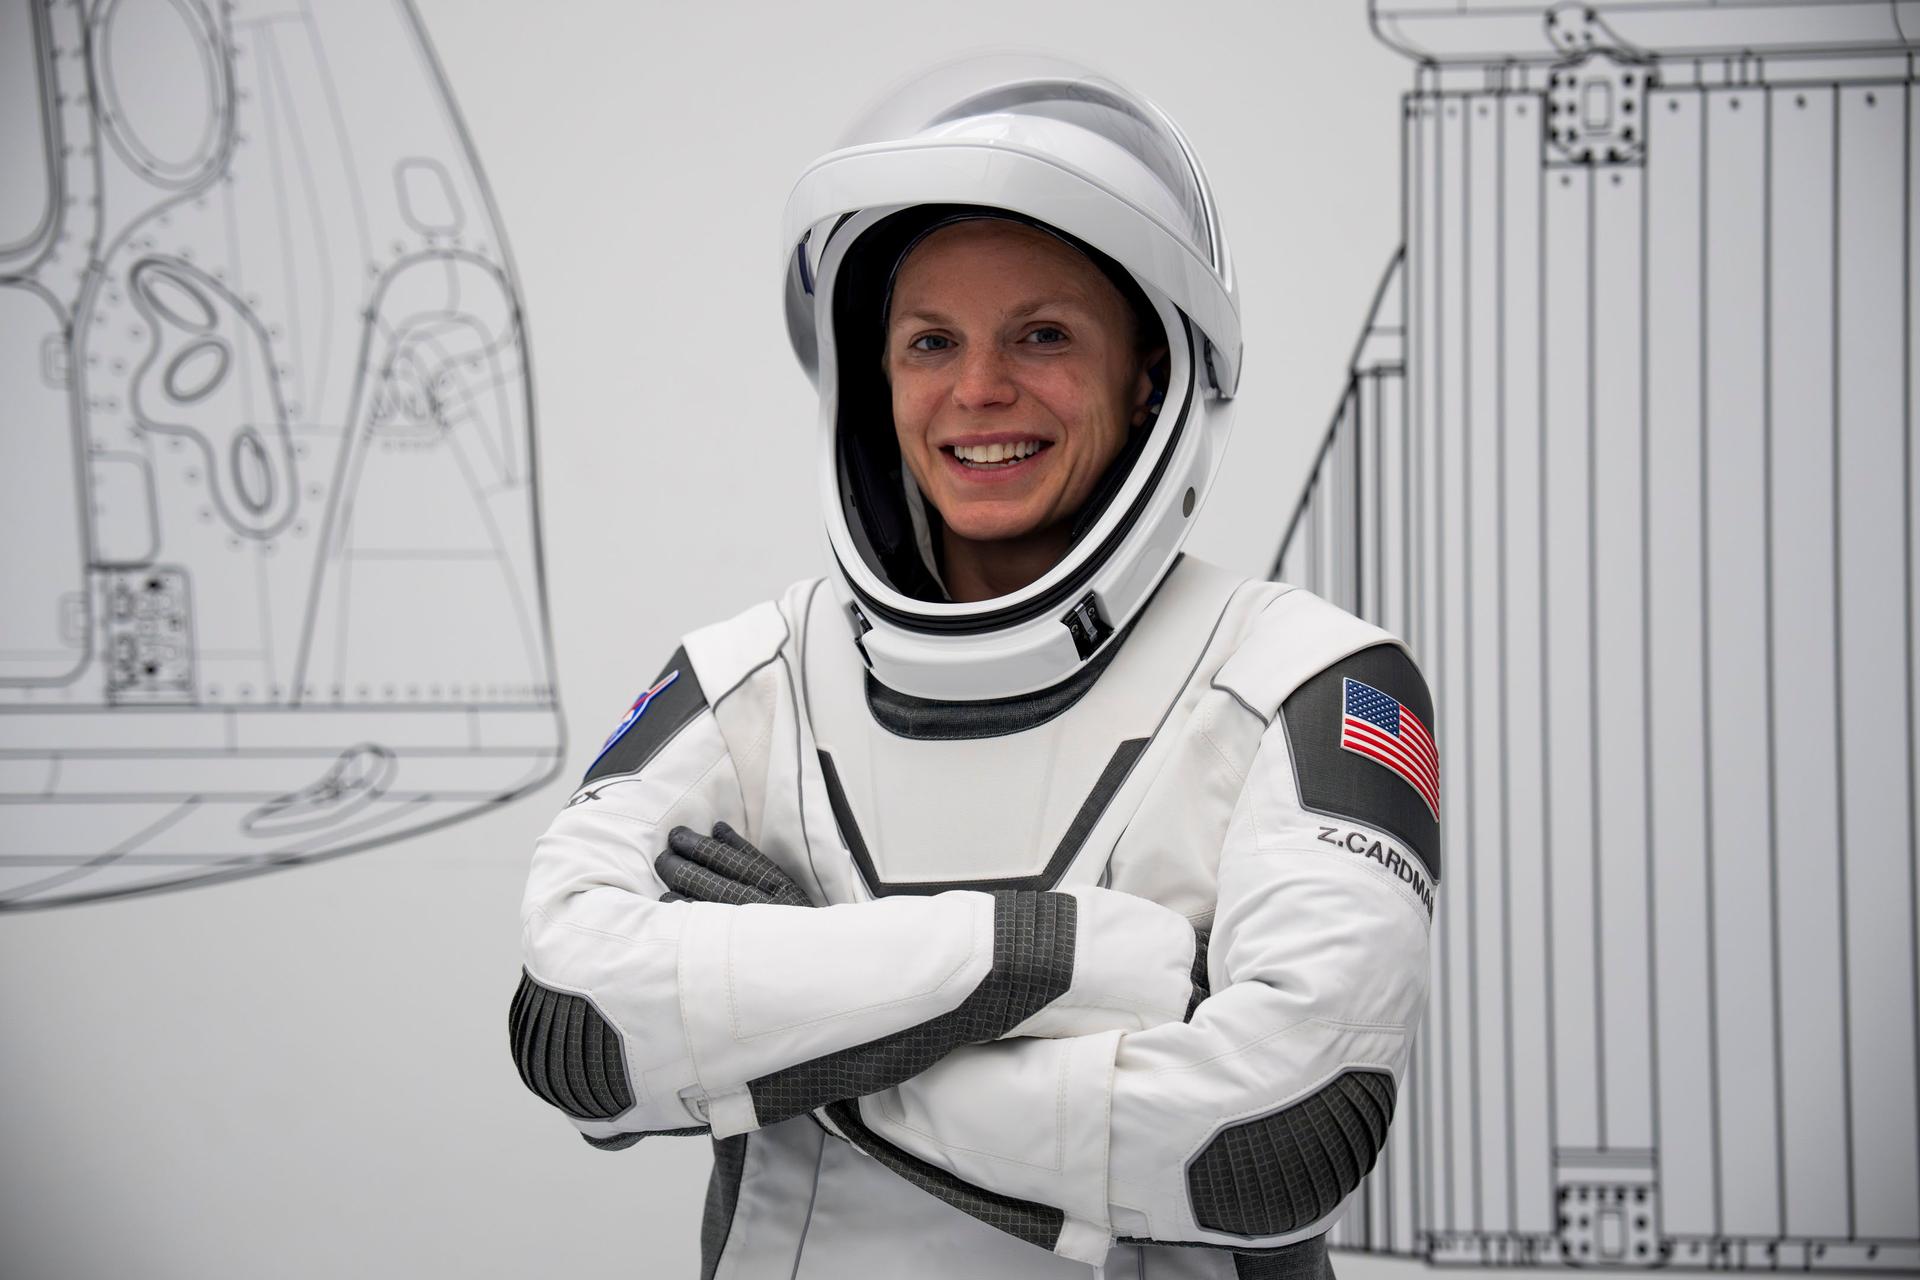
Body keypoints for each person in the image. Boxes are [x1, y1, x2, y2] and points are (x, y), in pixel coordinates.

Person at [509, 56, 1437, 1280]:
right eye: (929, 340)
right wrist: (1054, 956)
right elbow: (576, 1026)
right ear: (872, 381)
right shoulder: (749, 678)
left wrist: (789, 1038)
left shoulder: (1307, 682)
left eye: (1042, 335)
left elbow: (1272, 1137)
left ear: (1149, 370)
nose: (978, 390)